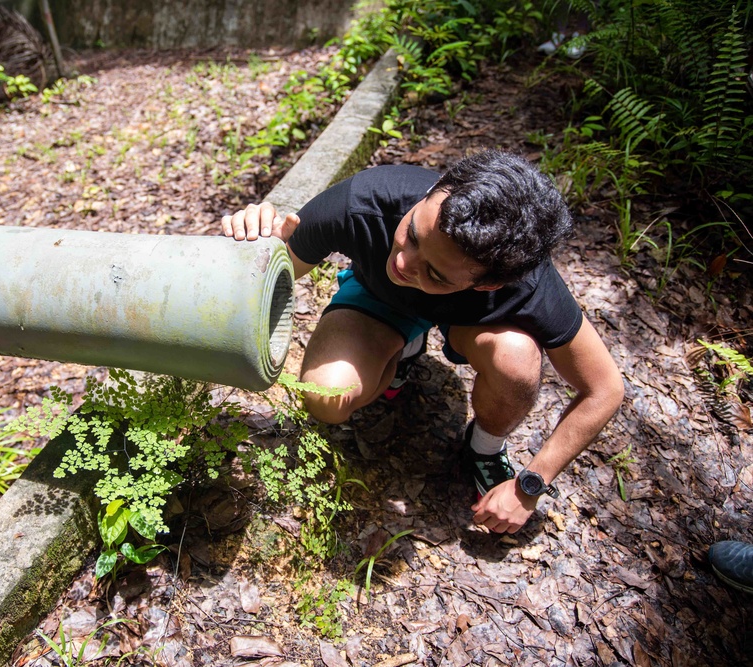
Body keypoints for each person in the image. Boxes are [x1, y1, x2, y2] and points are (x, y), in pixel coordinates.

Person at [222, 150, 625, 533]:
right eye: (412, 235)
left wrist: (530, 485)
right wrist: (255, 244)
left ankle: (485, 447)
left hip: (474, 324)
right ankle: (401, 348)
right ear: (434, 192)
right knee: (326, 398)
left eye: (436, 273)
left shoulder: (531, 285)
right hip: (380, 301)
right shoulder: (364, 200)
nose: (402, 263)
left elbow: (604, 389)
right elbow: (268, 279)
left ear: (489, 283)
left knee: (517, 359)